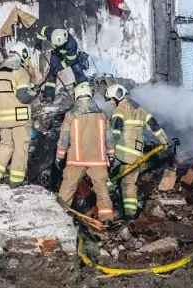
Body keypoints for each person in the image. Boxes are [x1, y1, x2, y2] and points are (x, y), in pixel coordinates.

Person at [105, 84, 170, 219]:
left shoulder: (120, 109)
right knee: (129, 184)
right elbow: (154, 126)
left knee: (105, 175)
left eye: (112, 99)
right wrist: (165, 141)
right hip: (135, 154)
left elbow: (115, 132)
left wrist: (108, 149)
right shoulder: (141, 110)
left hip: (119, 152)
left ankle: (112, 203)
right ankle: (130, 215)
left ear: (118, 96)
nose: (111, 102)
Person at [55, 82, 116, 222]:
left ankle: (59, 217)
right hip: (98, 160)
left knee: (68, 188)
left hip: (77, 160)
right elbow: (109, 138)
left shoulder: (70, 115)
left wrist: (59, 157)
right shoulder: (102, 115)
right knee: (102, 189)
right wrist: (111, 155)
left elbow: (64, 139)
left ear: (77, 96)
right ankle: (107, 218)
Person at [0, 46, 38, 187]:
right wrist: (34, 92)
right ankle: (16, 181)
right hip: (20, 119)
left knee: (6, 145)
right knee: (21, 147)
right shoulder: (21, 72)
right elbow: (23, 97)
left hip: (4, 119)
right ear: (22, 54)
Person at [36, 26, 87, 100]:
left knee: (77, 70)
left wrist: (59, 67)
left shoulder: (72, 45)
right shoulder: (50, 32)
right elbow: (41, 30)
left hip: (69, 56)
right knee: (52, 72)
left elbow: (70, 60)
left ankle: (84, 92)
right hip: (56, 54)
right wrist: (38, 42)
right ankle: (48, 96)